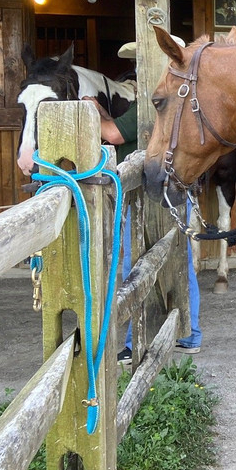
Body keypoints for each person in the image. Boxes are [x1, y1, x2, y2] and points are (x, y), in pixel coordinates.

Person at [85, 37, 202, 361]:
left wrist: (94, 110)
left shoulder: (148, 105)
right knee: (170, 260)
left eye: (142, 61)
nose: (138, 68)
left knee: (131, 265)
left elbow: (113, 135)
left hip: (150, 193)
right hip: (167, 187)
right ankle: (188, 333)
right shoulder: (159, 102)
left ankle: (132, 341)